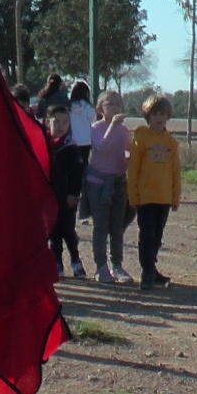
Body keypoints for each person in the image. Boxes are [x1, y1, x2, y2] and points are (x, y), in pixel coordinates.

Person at [126, 94, 181, 289]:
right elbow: (133, 170)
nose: (159, 117)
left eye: (163, 114)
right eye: (155, 114)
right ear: (148, 117)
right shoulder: (141, 138)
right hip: (146, 197)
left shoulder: (171, 142)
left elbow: (175, 172)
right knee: (147, 235)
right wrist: (133, 196)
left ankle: (152, 269)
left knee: (157, 236)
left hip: (164, 197)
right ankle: (147, 272)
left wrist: (175, 197)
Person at [82, 91, 132, 283]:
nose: (115, 107)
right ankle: (101, 267)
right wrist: (112, 125)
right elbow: (101, 147)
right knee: (101, 227)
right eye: (110, 104)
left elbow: (128, 150)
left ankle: (117, 266)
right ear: (100, 108)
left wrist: (129, 159)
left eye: (118, 103)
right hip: (99, 184)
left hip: (119, 183)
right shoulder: (95, 128)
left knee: (117, 227)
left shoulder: (124, 130)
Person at [45, 108, 87, 278]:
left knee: (68, 231)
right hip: (50, 199)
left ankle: (76, 261)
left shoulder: (71, 147)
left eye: (64, 122)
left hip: (67, 199)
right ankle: (57, 263)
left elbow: (77, 173)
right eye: (56, 121)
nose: (60, 126)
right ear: (48, 122)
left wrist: (74, 194)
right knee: (53, 232)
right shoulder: (44, 144)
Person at [68, 80, 95, 149]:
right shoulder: (88, 107)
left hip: (72, 141)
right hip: (86, 140)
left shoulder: (68, 107)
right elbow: (93, 119)